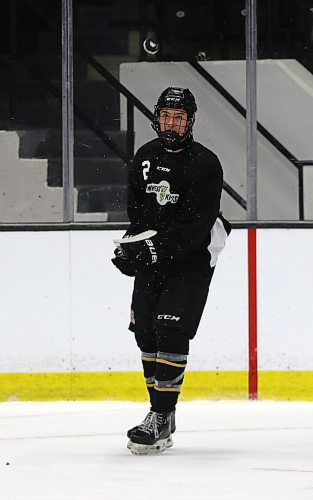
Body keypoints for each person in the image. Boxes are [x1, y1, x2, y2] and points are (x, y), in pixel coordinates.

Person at [112, 87, 231, 455]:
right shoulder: (145, 156)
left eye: (179, 117)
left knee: (170, 328)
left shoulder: (205, 163)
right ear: (157, 116)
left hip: (192, 261)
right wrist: (132, 247)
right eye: (166, 115)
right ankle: (159, 412)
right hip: (156, 257)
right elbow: (139, 213)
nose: (172, 123)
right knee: (145, 330)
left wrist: (152, 249)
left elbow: (197, 226)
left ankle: (162, 414)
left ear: (190, 121)